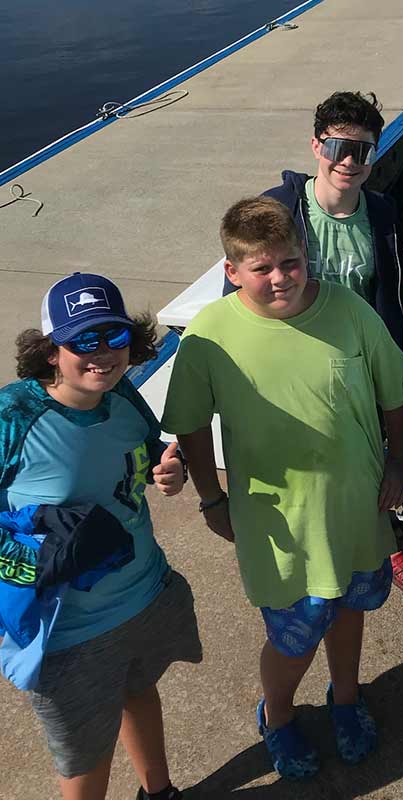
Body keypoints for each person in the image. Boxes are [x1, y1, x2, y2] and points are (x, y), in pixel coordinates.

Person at [162, 197, 403, 779]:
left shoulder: (349, 310)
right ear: (232, 272)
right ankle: (277, 715)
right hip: (278, 525)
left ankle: (345, 698)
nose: (282, 278)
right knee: (295, 631)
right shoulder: (208, 336)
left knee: (349, 609)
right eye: (262, 268)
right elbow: (192, 425)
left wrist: (399, 463)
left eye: (292, 262)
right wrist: (211, 498)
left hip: (356, 508)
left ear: (307, 255)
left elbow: (395, 391)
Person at [223, 90, 403, 601]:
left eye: (362, 151)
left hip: (361, 371)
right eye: (338, 147)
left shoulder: (383, 213)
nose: (349, 161)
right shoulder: (278, 211)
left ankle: (388, 546)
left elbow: (389, 288)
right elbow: (238, 299)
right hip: (294, 373)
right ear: (316, 146)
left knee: (376, 470)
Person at [0, 273, 201, 800]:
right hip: (67, 634)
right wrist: (34, 565)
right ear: (50, 350)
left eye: (114, 337)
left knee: (139, 692)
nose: (103, 355)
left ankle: (160, 792)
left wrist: (167, 469)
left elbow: (149, 450)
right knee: (86, 759)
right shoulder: (13, 416)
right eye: (83, 340)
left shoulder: (124, 394)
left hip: (142, 595)